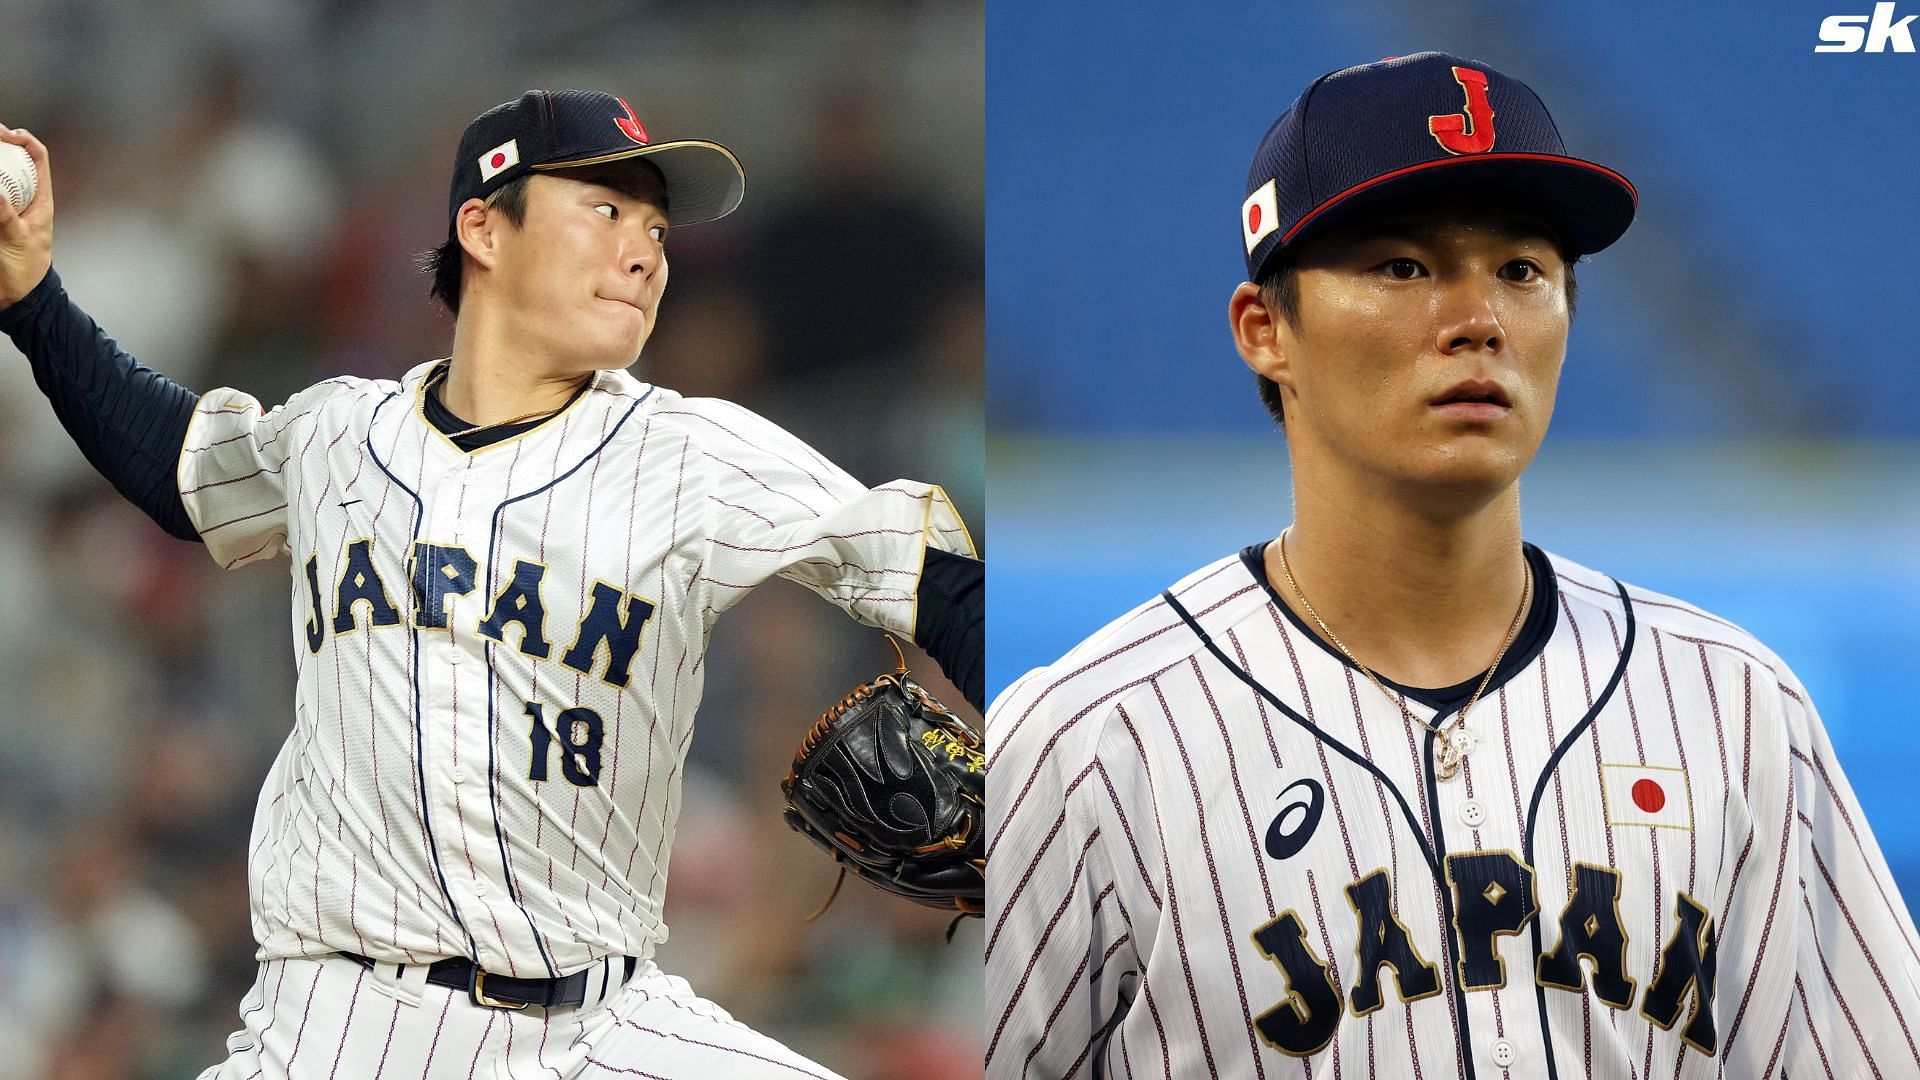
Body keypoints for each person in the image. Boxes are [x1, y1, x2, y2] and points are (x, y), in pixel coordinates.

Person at [0, 87, 982, 1078]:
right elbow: (181, 466)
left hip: (604, 1023)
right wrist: (33, 301)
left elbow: (935, 582)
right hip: (339, 1029)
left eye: (654, 225)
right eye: (604, 210)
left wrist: (1053, 760)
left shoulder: (692, 456)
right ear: (485, 228)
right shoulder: (343, 433)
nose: (645, 251)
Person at [985, 52, 1920, 1079]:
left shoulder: (1738, 708)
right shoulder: (1095, 741)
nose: (1478, 319)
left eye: (1522, 270)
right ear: (1266, 332)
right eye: (1404, 267)